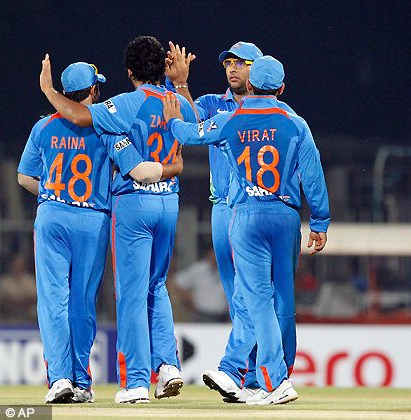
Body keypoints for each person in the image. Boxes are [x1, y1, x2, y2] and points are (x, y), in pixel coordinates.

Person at [162, 55, 330, 405]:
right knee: (282, 298)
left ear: (250, 85)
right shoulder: (295, 123)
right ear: (281, 88)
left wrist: (173, 118)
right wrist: (320, 221)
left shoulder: (229, 120)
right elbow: (312, 176)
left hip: (247, 216)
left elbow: (188, 134)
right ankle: (263, 374)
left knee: (256, 300)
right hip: (285, 216)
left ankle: (274, 380)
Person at [39, 36, 197, 404]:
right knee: (156, 286)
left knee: (129, 295)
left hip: (134, 205)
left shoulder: (125, 104)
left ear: (128, 72)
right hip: (170, 203)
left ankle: (137, 382)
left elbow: (78, 114)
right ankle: (169, 365)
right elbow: (195, 126)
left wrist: (48, 89)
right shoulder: (176, 100)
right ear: (163, 68)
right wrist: (182, 83)